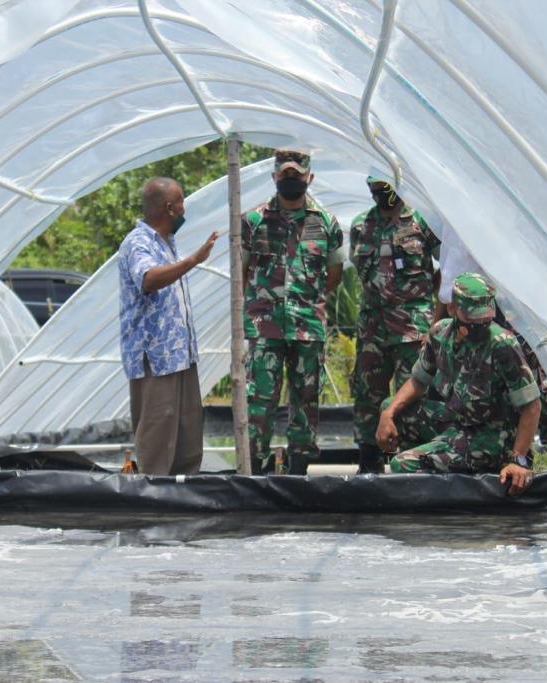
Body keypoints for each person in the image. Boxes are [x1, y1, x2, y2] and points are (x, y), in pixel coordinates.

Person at [376, 273, 539, 495]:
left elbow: (531, 406)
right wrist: (388, 415)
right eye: (472, 321)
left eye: (484, 320)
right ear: (452, 309)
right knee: (391, 407)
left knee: (402, 464)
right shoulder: (441, 333)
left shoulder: (502, 344)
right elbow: (418, 380)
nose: (479, 327)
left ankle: (439, 473)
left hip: (490, 437)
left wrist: (518, 460)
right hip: (456, 422)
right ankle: (437, 458)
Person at [435, 226, 547, 469]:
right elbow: (448, 272)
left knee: (530, 377)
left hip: (500, 304)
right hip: (465, 308)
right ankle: (510, 448)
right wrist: (438, 317)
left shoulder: (481, 208)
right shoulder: (448, 218)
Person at [241, 150, 345, 475]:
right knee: (259, 401)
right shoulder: (253, 221)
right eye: (285, 175)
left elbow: (335, 272)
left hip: (307, 326)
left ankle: (299, 470)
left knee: (305, 401)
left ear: (309, 178)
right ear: (274, 177)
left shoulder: (326, 222)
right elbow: (241, 271)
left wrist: (309, 300)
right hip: (264, 327)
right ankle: (255, 471)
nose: (290, 180)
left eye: (296, 175)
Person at [117, 177, 219, 475]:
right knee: (158, 434)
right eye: (182, 202)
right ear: (170, 208)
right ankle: (154, 497)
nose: (185, 209)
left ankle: (184, 492)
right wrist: (194, 260)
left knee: (187, 434)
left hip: (180, 356)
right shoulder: (138, 242)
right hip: (156, 358)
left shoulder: (166, 243)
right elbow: (148, 279)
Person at [349, 175, 440, 474]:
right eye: (376, 187)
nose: (381, 193)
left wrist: (429, 310)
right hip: (372, 328)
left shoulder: (422, 222)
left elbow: (446, 269)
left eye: (386, 186)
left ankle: (409, 462)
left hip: (412, 329)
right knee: (366, 394)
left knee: (411, 394)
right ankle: (368, 462)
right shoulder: (361, 225)